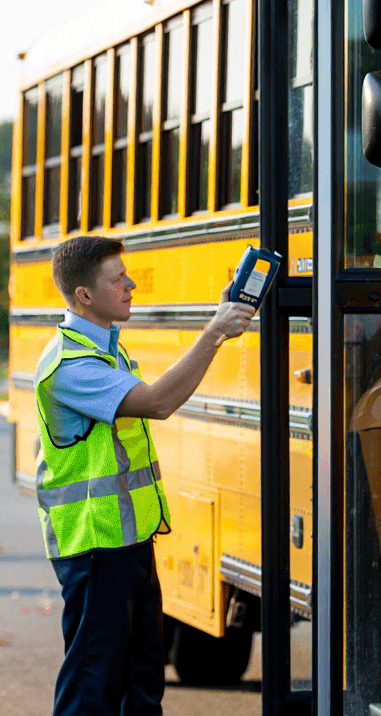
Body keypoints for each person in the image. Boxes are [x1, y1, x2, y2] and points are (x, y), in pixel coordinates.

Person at [35, 235, 255, 716]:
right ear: (84, 296)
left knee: (142, 682)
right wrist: (213, 333)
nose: (131, 284)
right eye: (118, 279)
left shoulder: (107, 350)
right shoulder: (71, 365)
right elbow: (157, 403)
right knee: (92, 689)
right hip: (95, 548)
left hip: (128, 541)